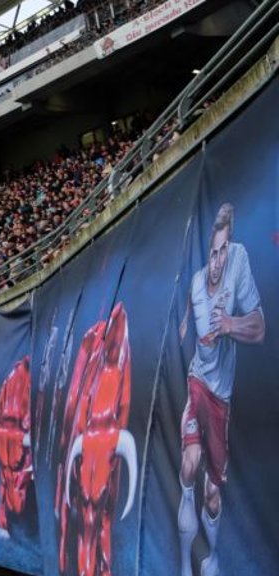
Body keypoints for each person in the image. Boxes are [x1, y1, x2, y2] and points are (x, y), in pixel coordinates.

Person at [177, 204, 264, 576]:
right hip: (197, 382)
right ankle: (184, 564)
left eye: (222, 252)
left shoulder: (238, 265)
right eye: (213, 253)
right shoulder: (198, 281)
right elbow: (189, 308)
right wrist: (184, 325)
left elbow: (259, 329)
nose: (216, 261)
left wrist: (229, 325)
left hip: (221, 398)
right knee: (188, 464)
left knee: (213, 494)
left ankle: (211, 557)